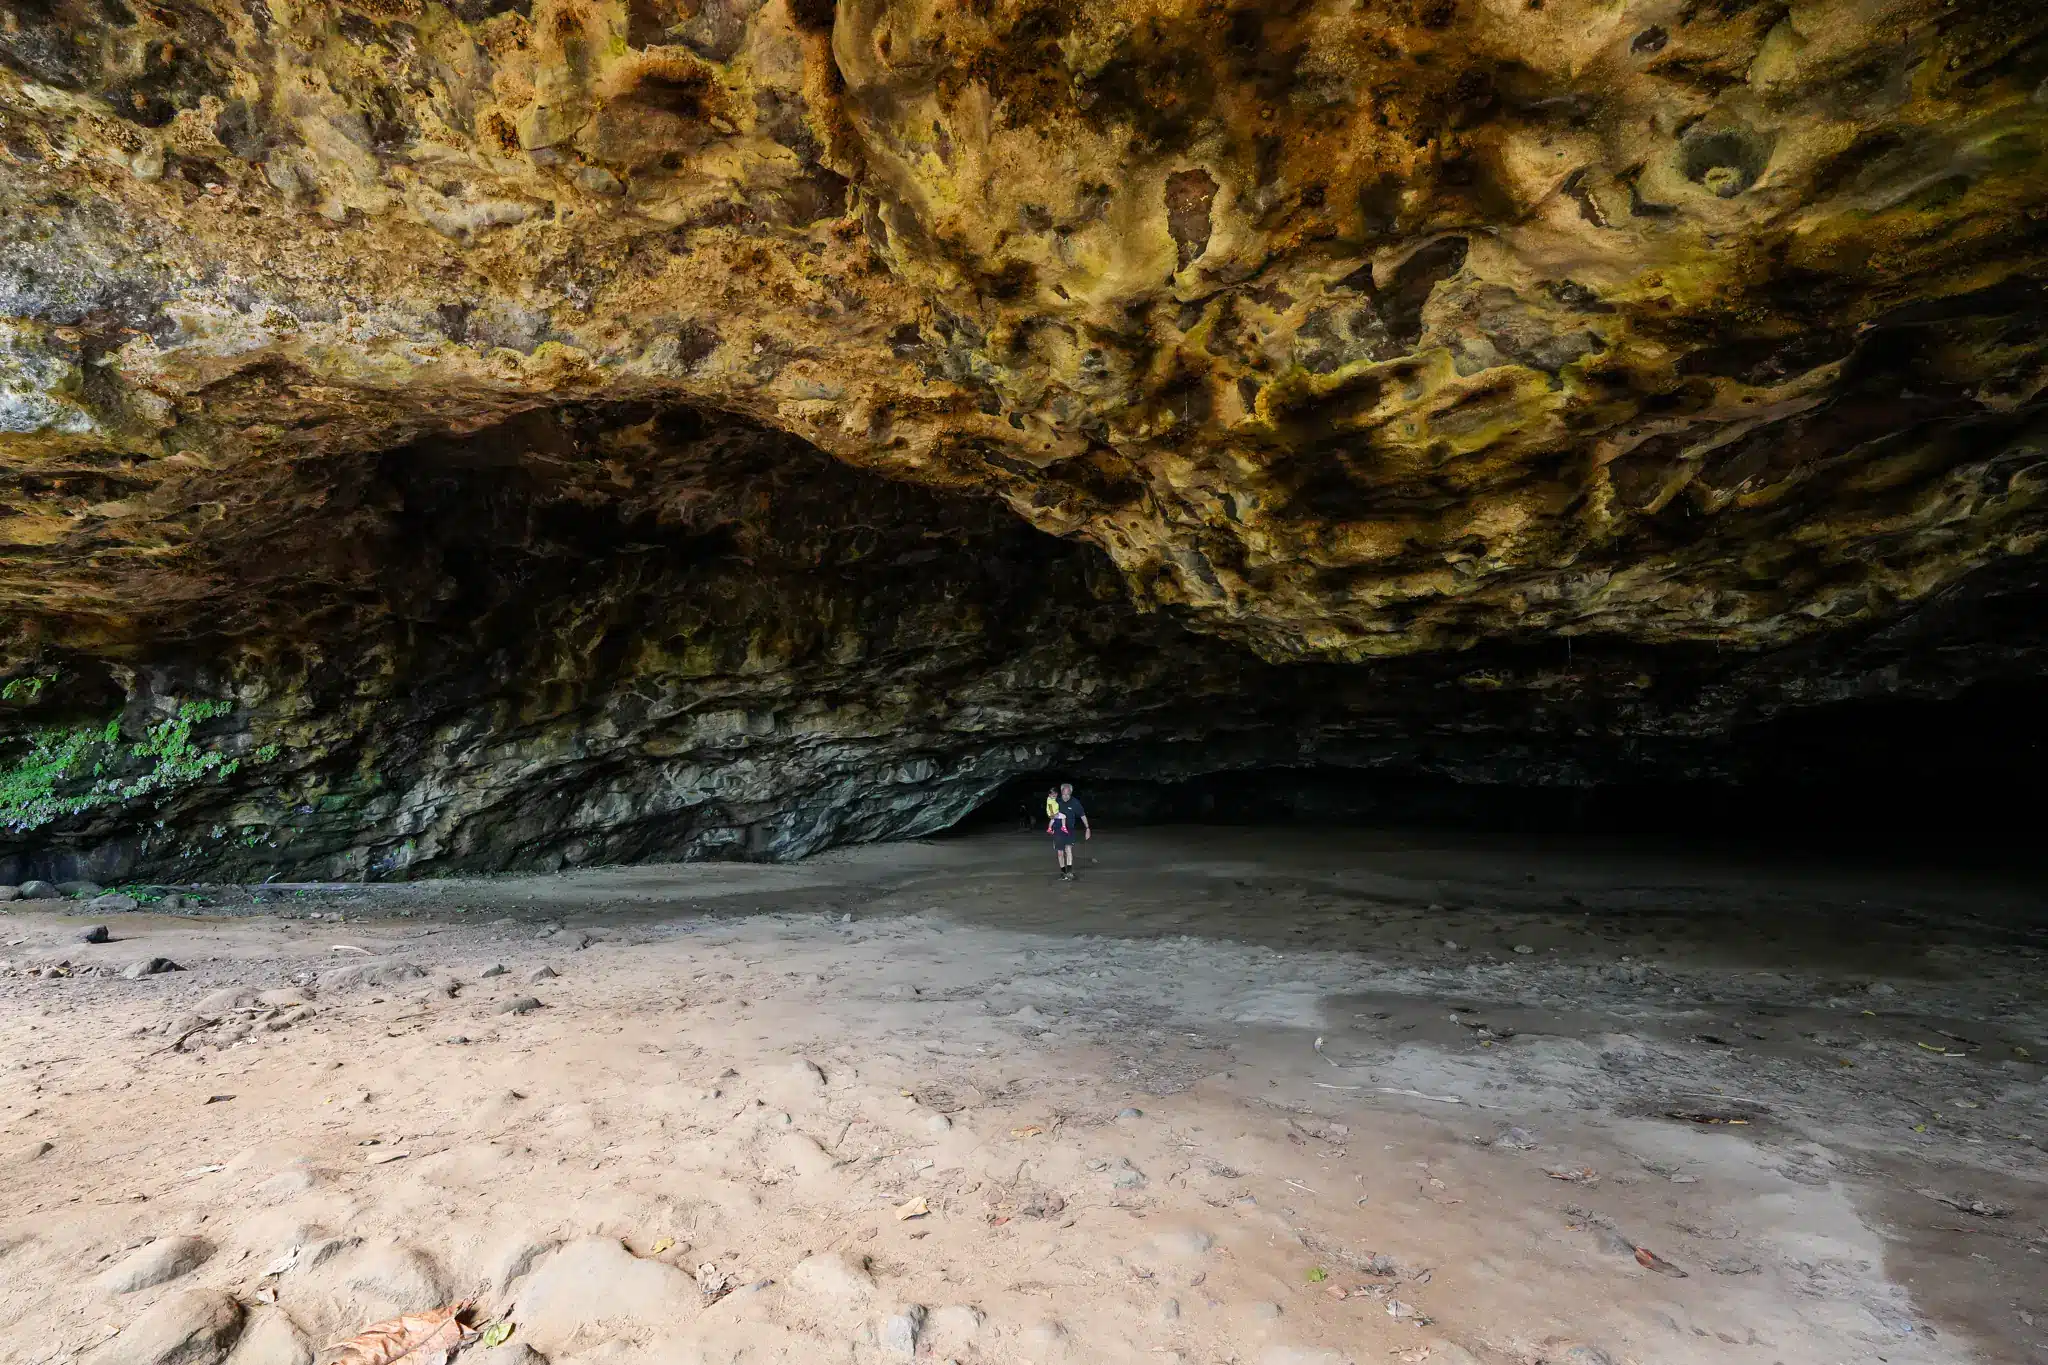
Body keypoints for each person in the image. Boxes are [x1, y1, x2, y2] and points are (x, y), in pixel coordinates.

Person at [1047, 781, 1090, 880]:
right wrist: (1050, 827)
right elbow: (1050, 814)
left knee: (1068, 849)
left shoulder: (1075, 802)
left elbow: (1082, 815)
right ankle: (1063, 872)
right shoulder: (1056, 801)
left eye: (1068, 794)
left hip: (1069, 830)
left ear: (1071, 793)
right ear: (1061, 793)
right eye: (1064, 794)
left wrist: (1087, 828)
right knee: (1060, 853)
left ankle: (1070, 872)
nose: (1066, 796)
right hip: (1057, 830)